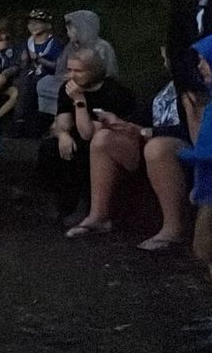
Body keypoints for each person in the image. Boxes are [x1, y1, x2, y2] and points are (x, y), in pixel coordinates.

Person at [72, 68, 192, 249]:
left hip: (179, 144)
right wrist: (121, 123)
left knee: (156, 148)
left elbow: (194, 129)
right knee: (103, 139)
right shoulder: (166, 82)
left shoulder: (197, 87)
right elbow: (143, 116)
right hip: (148, 139)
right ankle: (99, 216)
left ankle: (173, 228)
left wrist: (149, 132)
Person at [39, 49, 138, 231]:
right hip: (81, 133)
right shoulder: (68, 87)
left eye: (78, 71)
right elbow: (62, 122)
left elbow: (88, 133)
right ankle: (58, 202)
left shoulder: (113, 93)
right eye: (70, 70)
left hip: (108, 140)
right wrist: (63, 135)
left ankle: (86, 204)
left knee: (83, 150)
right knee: (51, 148)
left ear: (93, 71)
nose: (72, 75)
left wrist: (79, 100)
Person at [183, 33, 212, 352]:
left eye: (206, 61)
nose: (201, 67)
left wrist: (193, 156)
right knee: (209, 252)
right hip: (210, 191)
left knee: (210, 247)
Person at [13, 9, 66, 138]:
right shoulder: (28, 42)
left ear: (48, 25)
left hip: (48, 76)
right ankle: (20, 122)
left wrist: (39, 59)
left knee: (34, 86)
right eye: (30, 23)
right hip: (29, 76)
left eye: (37, 23)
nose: (33, 26)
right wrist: (24, 60)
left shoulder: (54, 43)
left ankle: (37, 126)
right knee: (24, 85)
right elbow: (21, 64)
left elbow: (59, 66)